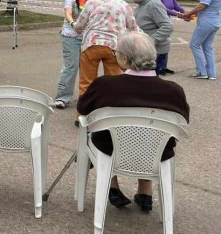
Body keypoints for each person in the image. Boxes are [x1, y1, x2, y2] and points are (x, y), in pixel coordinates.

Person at [77, 32, 189, 211]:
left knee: (104, 134)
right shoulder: (174, 91)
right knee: (151, 135)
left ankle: (112, 186)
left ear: (124, 58)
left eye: (116, 54)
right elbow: (182, 122)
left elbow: (83, 109)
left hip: (111, 150)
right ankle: (145, 192)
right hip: (156, 153)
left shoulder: (104, 85)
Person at [72, 0, 139, 108]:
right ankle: (112, 113)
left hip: (92, 45)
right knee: (114, 82)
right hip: (115, 47)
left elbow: (79, 26)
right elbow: (133, 27)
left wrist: (73, 24)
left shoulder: (91, 3)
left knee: (87, 82)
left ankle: (83, 115)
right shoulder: (124, 4)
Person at [53, 0, 93, 109]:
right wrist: (72, 23)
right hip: (71, 36)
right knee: (71, 66)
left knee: (87, 68)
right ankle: (62, 98)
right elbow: (68, 13)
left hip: (87, 38)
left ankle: (86, 97)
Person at [180, 0, 221, 80]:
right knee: (207, 47)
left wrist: (187, 14)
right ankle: (211, 73)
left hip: (207, 22)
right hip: (215, 22)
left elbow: (201, 7)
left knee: (194, 44)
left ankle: (201, 72)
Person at [131, 0, 174, 76]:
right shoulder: (142, 4)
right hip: (146, 50)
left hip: (155, 51)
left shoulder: (153, 4)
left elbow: (167, 26)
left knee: (150, 81)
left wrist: (150, 40)